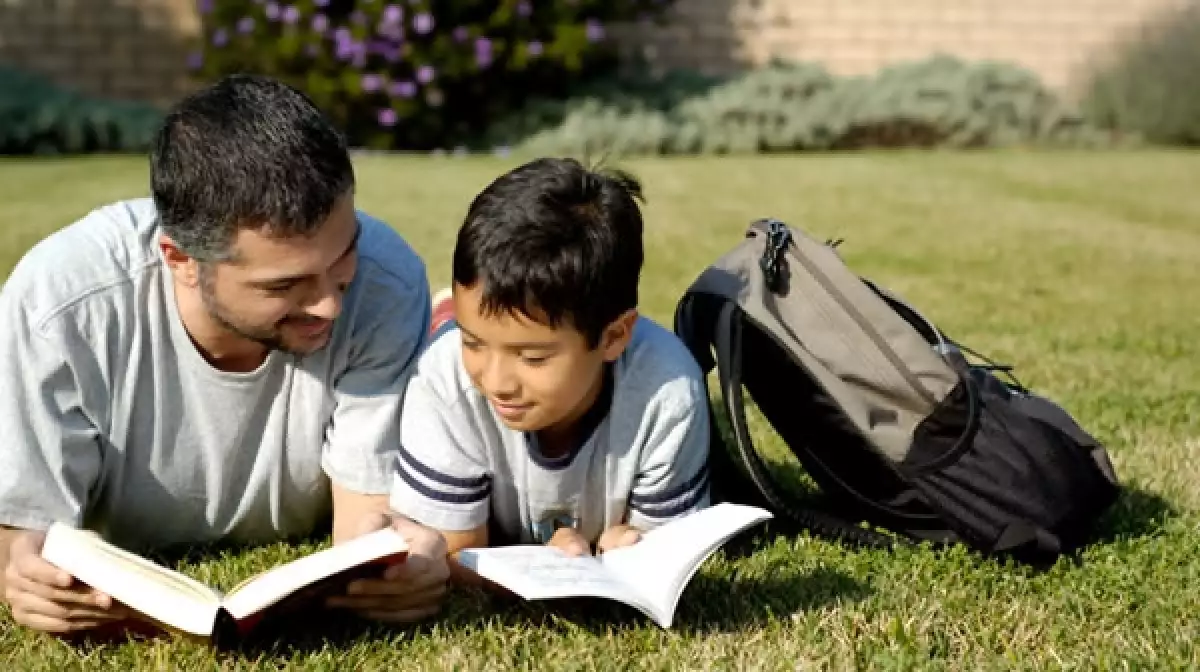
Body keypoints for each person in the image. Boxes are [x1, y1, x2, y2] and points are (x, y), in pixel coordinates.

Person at [0, 74, 448, 636]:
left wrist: (400, 566)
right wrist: (27, 579)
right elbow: (24, 536)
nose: (331, 305)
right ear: (180, 258)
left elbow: (367, 521)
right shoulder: (61, 306)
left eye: (343, 257)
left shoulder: (386, 283)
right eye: (283, 286)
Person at [389, 157, 711, 575]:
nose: (496, 381)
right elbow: (453, 555)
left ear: (613, 337)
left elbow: (665, 556)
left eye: (533, 357)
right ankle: (443, 315)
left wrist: (628, 551)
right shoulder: (444, 375)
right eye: (474, 342)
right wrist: (546, 564)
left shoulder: (666, 392)